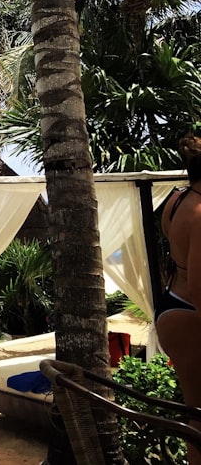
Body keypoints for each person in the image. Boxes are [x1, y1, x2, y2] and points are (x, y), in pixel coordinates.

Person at [157, 134, 201, 464]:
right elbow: (200, 286)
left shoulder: (176, 200)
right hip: (191, 312)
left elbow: (171, 244)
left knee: (195, 415)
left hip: (172, 303)